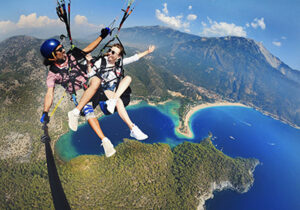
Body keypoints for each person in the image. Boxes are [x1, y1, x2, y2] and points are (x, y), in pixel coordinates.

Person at [40, 28, 117, 158]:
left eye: (62, 47)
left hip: (88, 81)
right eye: (59, 50)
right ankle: (104, 140)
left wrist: (101, 36)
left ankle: (75, 112)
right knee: (89, 112)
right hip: (79, 92)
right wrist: (45, 111)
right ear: (52, 56)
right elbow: (49, 93)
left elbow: (88, 49)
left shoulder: (72, 55)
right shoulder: (52, 74)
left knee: (97, 81)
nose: (63, 50)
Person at [68, 44, 156, 140]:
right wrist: (89, 63)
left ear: (118, 56)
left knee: (128, 78)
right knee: (118, 101)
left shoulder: (119, 63)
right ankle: (133, 128)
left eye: (113, 52)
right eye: (110, 50)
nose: (109, 53)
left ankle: (113, 101)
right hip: (102, 90)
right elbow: (90, 75)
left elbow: (134, 58)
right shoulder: (101, 62)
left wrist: (147, 52)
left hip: (113, 91)